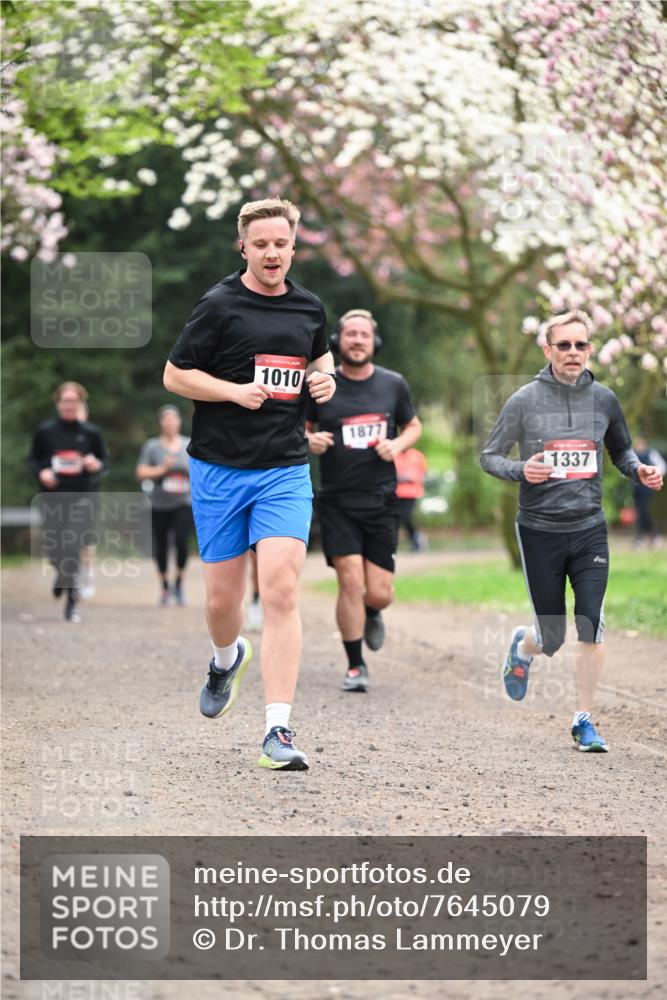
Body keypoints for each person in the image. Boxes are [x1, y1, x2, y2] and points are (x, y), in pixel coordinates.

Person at [163, 197, 336, 771]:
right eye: (260, 243)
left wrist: (325, 380)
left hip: (284, 469)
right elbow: (175, 374)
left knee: (282, 591)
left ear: (292, 246)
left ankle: (278, 729)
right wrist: (234, 391)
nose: (270, 253)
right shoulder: (218, 306)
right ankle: (224, 657)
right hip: (218, 469)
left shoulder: (309, 307)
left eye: (280, 243)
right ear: (244, 246)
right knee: (222, 603)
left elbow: (320, 359)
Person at [480, 309, 664, 752]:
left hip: (588, 531)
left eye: (581, 345)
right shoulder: (524, 400)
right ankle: (524, 646)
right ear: (548, 350)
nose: (573, 353)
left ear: (589, 349)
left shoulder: (604, 399)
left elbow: (621, 452)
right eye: (564, 345)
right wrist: (523, 468)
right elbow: (490, 455)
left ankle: (584, 719)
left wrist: (639, 471)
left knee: (590, 622)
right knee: (553, 637)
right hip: (540, 530)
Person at [305, 308, 422, 692]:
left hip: (382, 501)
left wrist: (397, 444)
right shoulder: (322, 384)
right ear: (339, 340)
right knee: (350, 581)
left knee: (379, 593)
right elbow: (298, 429)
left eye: (364, 334)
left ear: (374, 342)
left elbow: (413, 426)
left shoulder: (393, 384)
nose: (357, 340)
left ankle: (372, 612)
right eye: (351, 333)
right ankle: (355, 665)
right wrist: (311, 441)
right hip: (337, 501)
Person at [28, 382, 108, 622]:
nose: (70, 405)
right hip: (52, 498)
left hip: (82, 497)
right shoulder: (45, 432)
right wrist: (41, 472)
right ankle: (61, 575)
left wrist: (97, 465)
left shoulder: (91, 432)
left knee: (72, 546)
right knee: (54, 550)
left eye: (74, 401)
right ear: (58, 403)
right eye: (66, 401)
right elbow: (32, 460)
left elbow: (104, 462)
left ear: (80, 404)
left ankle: (71, 603)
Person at [136, 405, 193, 606]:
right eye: (166, 419)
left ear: (178, 422)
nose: (170, 422)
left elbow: (202, 472)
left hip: (184, 501)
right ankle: (164, 587)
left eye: (173, 418)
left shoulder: (189, 444)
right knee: (160, 546)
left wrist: (189, 469)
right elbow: (141, 473)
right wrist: (162, 468)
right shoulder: (152, 447)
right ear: (161, 423)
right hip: (159, 503)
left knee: (181, 542)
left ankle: (179, 584)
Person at [632, 435, 665, 548]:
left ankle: (642, 537)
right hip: (636, 488)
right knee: (640, 512)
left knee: (644, 511)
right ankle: (650, 536)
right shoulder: (632, 455)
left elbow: (662, 466)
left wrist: (653, 474)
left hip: (647, 488)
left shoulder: (651, 453)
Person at [394, 447, 428, 551]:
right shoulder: (394, 455)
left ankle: (416, 537)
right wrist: (400, 477)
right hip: (396, 493)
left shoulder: (417, 455)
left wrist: (412, 477)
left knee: (406, 518)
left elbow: (423, 474)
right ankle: (414, 538)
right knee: (395, 519)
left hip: (412, 493)